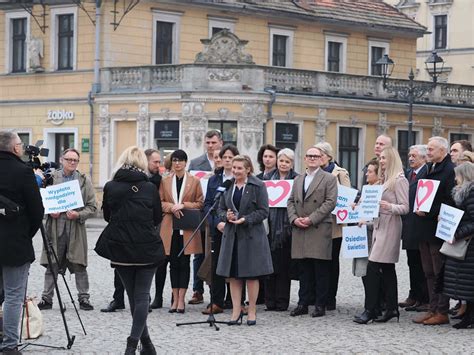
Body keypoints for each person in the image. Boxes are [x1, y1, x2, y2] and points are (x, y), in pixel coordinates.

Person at [96, 146, 164, 354]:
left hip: (121, 247)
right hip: (147, 247)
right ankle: (136, 344)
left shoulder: (110, 186)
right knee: (142, 296)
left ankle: (142, 345)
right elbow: (157, 217)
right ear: (142, 163)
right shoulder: (150, 187)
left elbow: (107, 216)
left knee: (134, 297)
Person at [0, 131, 44, 354]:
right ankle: (8, 345)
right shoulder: (23, 172)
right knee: (13, 296)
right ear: (14, 148)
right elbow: (37, 211)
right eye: (20, 144)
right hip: (15, 243)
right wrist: (26, 233)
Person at [216, 155, 273, 326]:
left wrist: (246, 219)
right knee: (233, 276)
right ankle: (236, 310)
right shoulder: (227, 186)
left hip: (251, 236)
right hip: (232, 235)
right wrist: (225, 216)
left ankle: (252, 310)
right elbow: (219, 208)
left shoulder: (258, 185)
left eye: (239, 168)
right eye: (234, 168)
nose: (235, 171)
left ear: (248, 169)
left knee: (251, 275)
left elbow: (264, 211)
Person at [354, 146, 409, 324]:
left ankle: (370, 309)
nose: (381, 161)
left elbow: (405, 207)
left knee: (372, 267)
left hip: (391, 226)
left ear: (392, 159)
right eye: (381, 158)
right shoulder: (384, 179)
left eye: (384, 158)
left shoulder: (399, 180)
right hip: (379, 225)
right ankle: (391, 308)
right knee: (387, 269)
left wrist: (388, 207)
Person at [38, 148, 97, 311]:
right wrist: (50, 210)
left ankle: (84, 298)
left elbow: (93, 207)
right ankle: (46, 298)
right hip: (55, 228)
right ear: (61, 159)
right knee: (52, 265)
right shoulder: (51, 178)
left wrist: (78, 214)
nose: (72, 162)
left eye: (75, 160)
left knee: (79, 264)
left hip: (75, 229)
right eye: (69, 159)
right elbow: (40, 201)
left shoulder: (84, 180)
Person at [287, 146, 337, 318]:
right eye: (309, 156)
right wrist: (294, 219)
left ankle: (320, 304)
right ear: (305, 158)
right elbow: (291, 201)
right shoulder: (299, 179)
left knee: (320, 269)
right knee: (304, 269)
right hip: (300, 228)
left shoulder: (329, 178)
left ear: (322, 158)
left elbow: (330, 202)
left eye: (316, 156)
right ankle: (303, 303)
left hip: (318, 227)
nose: (312, 158)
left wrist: (311, 219)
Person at [413, 136, 456, 326]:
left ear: (442, 151)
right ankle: (432, 307)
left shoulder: (449, 170)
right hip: (424, 227)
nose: (428, 152)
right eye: (428, 149)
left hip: (438, 228)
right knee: (428, 271)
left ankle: (442, 310)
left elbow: (451, 200)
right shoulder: (430, 168)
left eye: (431, 149)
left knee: (439, 272)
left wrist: (430, 211)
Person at [160, 149, 204, 313]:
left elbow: (200, 203)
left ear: (186, 163)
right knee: (173, 263)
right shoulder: (165, 181)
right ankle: (174, 297)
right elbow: (160, 202)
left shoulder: (194, 181)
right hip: (170, 227)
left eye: (180, 160)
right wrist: (172, 207)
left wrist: (184, 205)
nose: (177, 163)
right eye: (175, 160)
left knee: (184, 263)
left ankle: (181, 300)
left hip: (186, 227)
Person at [201, 144, 239, 315]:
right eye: (225, 158)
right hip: (218, 228)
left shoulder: (241, 179)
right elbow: (209, 204)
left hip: (237, 227)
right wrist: (217, 222)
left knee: (236, 265)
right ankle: (217, 301)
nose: (228, 161)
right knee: (216, 265)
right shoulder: (214, 180)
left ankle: (235, 301)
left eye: (231, 157)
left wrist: (232, 221)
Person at [188, 129, 223, 305]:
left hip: (219, 215)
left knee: (215, 253)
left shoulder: (227, 161)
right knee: (198, 253)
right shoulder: (196, 163)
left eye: (213, 143)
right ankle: (197, 289)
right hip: (200, 213)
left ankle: (216, 292)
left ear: (220, 143)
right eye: (207, 143)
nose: (210, 146)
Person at [315, 142, 351, 311]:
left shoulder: (340, 173)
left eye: (320, 155)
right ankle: (318, 295)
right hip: (316, 223)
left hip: (334, 223)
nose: (317, 158)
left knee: (332, 261)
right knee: (317, 260)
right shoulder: (312, 173)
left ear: (328, 156)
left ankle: (331, 297)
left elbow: (347, 196)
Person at [264, 148, 299, 312]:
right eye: (281, 160)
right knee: (269, 265)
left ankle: (282, 300)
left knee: (284, 267)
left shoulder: (297, 179)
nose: (283, 164)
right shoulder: (267, 178)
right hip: (269, 226)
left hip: (288, 228)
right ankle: (269, 300)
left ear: (292, 164)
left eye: (287, 161)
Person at [443, 162, 474, 329]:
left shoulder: (471, 193)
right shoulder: (463, 193)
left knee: (468, 283)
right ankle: (468, 315)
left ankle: (469, 317)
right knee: (465, 283)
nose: (455, 179)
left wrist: (457, 233)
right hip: (465, 244)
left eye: (457, 175)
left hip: (469, 245)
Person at [399, 145, 429, 312]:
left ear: (424, 158)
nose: (410, 158)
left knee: (422, 263)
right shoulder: (408, 174)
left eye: (414, 156)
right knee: (412, 262)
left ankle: (424, 298)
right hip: (408, 223)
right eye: (409, 155)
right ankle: (414, 295)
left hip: (421, 223)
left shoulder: (427, 173)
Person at [352, 159, 379, 319]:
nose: (366, 174)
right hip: (361, 236)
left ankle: (372, 307)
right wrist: (355, 209)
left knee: (371, 273)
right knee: (364, 273)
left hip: (371, 237)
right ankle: (370, 305)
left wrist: (366, 222)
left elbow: (377, 217)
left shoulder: (378, 191)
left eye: (370, 171)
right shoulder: (366, 189)